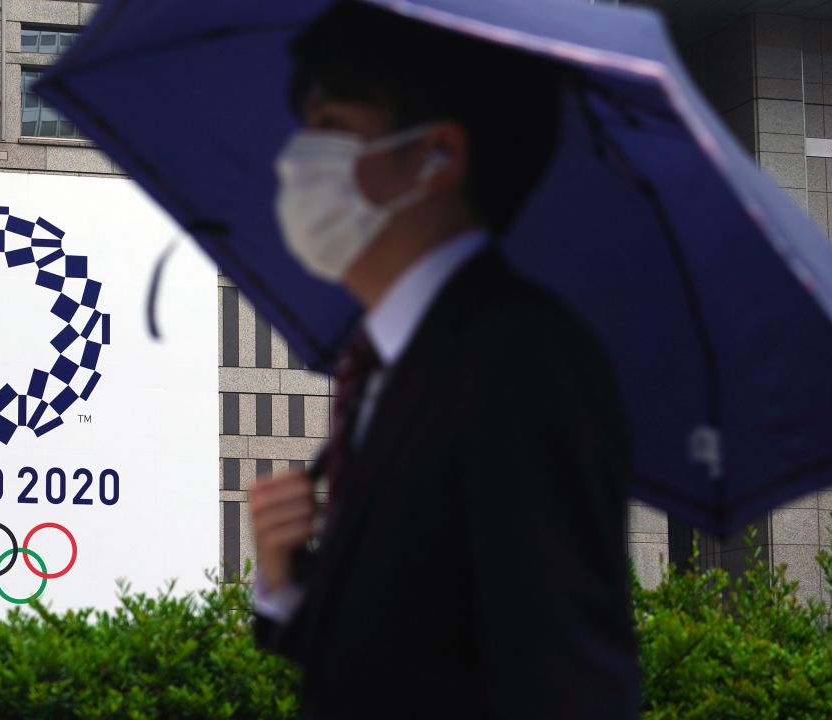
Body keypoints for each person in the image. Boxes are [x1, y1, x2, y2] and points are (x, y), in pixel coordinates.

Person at [247, 2, 640, 717]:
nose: (295, 158)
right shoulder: (385, 365)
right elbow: (405, 654)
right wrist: (287, 581)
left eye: (331, 128)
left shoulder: (522, 364)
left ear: (437, 158)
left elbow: (563, 676)